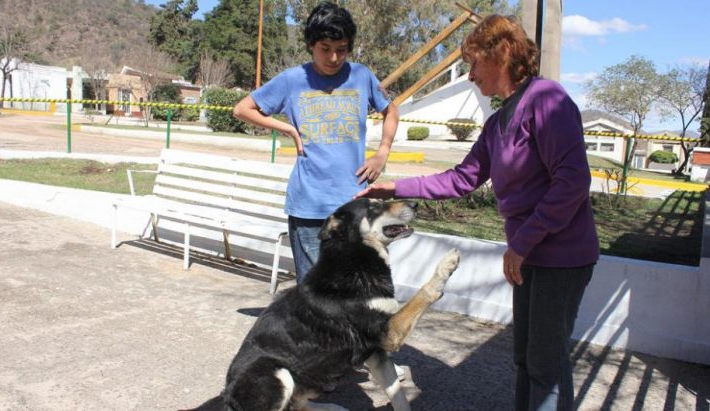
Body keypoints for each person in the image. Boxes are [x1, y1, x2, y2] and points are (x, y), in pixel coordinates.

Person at [356, 14, 599, 411]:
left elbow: (572, 182)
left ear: (501, 53)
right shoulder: (499, 122)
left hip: (561, 257)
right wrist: (395, 187)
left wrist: (521, 243)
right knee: (525, 360)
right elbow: (461, 179)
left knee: (545, 365)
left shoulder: (547, 100)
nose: (470, 75)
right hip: (529, 254)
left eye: (473, 63)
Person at [233, 1, 399, 283]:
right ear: (311, 45)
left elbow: (391, 110)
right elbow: (242, 109)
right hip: (308, 204)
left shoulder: (361, 76)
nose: (334, 58)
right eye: (325, 49)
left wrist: (382, 152)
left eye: (342, 49)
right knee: (312, 290)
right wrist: (288, 129)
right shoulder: (292, 80)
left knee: (354, 286)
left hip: (353, 205)